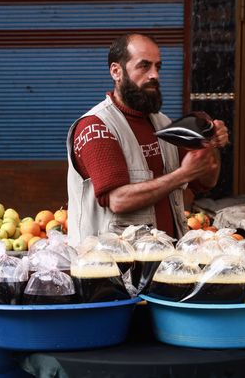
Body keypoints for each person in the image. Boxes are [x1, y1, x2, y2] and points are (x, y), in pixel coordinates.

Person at [65, 33, 229, 244]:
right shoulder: (96, 127)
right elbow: (117, 200)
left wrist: (210, 141)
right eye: (144, 66)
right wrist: (182, 175)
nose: (154, 75)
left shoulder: (163, 123)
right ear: (116, 71)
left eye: (157, 67)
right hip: (111, 269)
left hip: (165, 263)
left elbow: (206, 181)